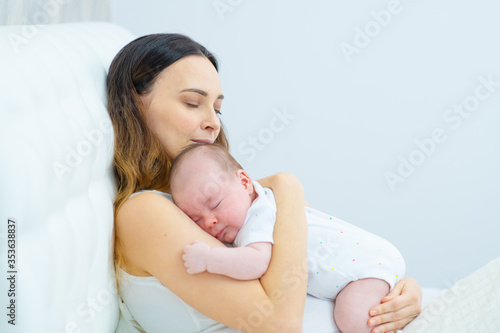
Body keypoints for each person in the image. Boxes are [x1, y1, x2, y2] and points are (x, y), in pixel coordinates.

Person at [106, 32, 422, 333]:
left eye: (217, 108)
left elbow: (318, 258)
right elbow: (280, 324)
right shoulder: (144, 212)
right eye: (192, 103)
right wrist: (287, 186)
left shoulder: (214, 202)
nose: (213, 123)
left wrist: (393, 287)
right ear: (135, 104)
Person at [169, 143, 406, 333]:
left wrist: (210, 258)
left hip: (363, 268)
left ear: (244, 183)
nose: (209, 221)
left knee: (353, 319)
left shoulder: (258, 215)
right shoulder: (266, 203)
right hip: (371, 256)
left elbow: (256, 262)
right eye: (196, 219)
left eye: (215, 204)